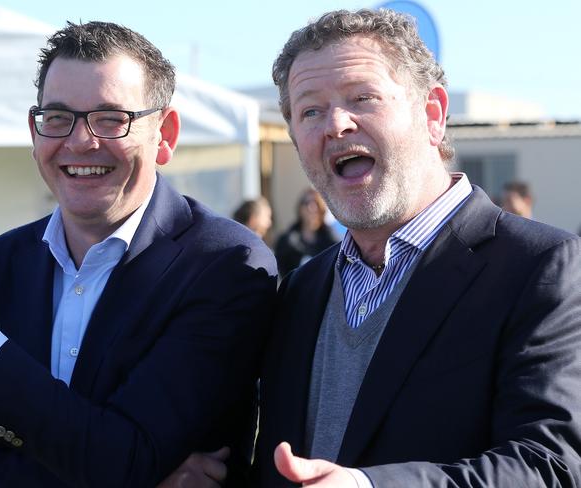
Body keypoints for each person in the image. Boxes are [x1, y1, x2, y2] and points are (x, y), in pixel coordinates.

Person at [0, 21, 276, 487]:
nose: (78, 141)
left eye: (111, 118)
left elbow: (125, 457)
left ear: (165, 134)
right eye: (57, 117)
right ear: (35, 134)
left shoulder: (224, 264)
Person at [249, 8, 581, 487]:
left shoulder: (541, 269)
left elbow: (550, 466)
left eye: (362, 97)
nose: (335, 124)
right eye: (310, 111)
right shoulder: (301, 289)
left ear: (433, 115)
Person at [274, 188, 340, 276]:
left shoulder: (333, 242)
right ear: (300, 208)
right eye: (307, 203)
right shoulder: (286, 242)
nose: (311, 208)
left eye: (316, 203)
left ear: (321, 209)